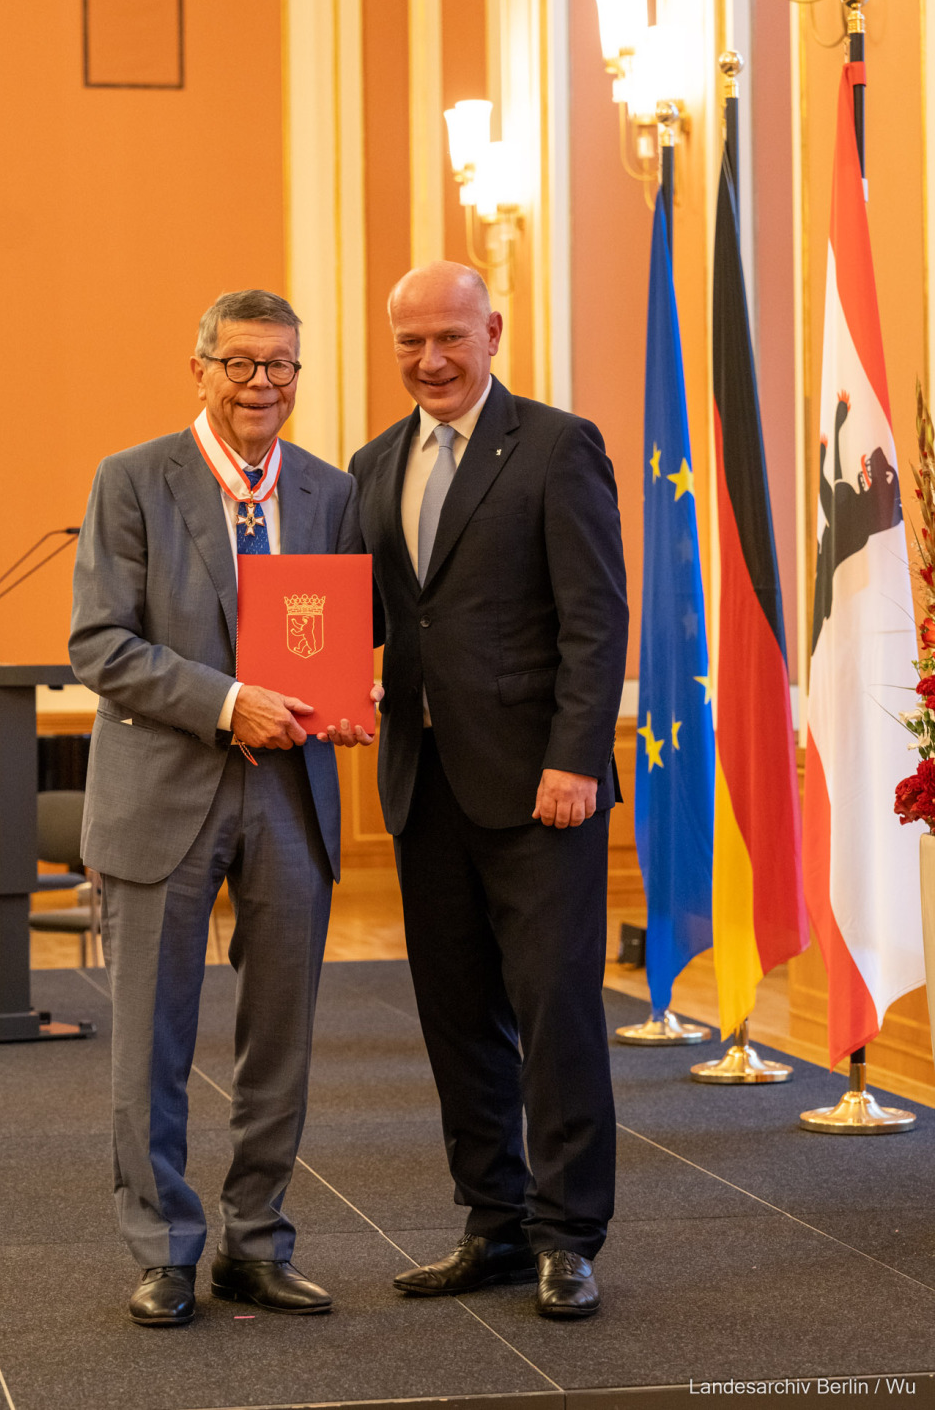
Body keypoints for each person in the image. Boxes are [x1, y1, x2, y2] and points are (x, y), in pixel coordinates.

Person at [70, 289, 377, 1327]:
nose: (262, 385)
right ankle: (163, 1248)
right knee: (151, 1039)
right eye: (241, 364)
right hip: (163, 791)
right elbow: (100, 645)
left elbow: (330, 637)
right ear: (199, 367)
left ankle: (256, 1244)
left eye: (281, 366)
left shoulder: (330, 492)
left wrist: (340, 700)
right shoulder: (133, 479)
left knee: (279, 1039)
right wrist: (228, 705)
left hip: (291, 797)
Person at [349, 261, 628, 1320]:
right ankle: (493, 1224)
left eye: (448, 339)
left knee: (555, 1012)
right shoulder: (375, 465)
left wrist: (574, 758)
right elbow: (370, 620)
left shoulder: (557, 446)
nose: (429, 360)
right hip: (423, 786)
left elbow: (595, 619)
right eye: (409, 343)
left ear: (492, 331)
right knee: (456, 1017)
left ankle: (568, 1236)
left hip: (537, 788)